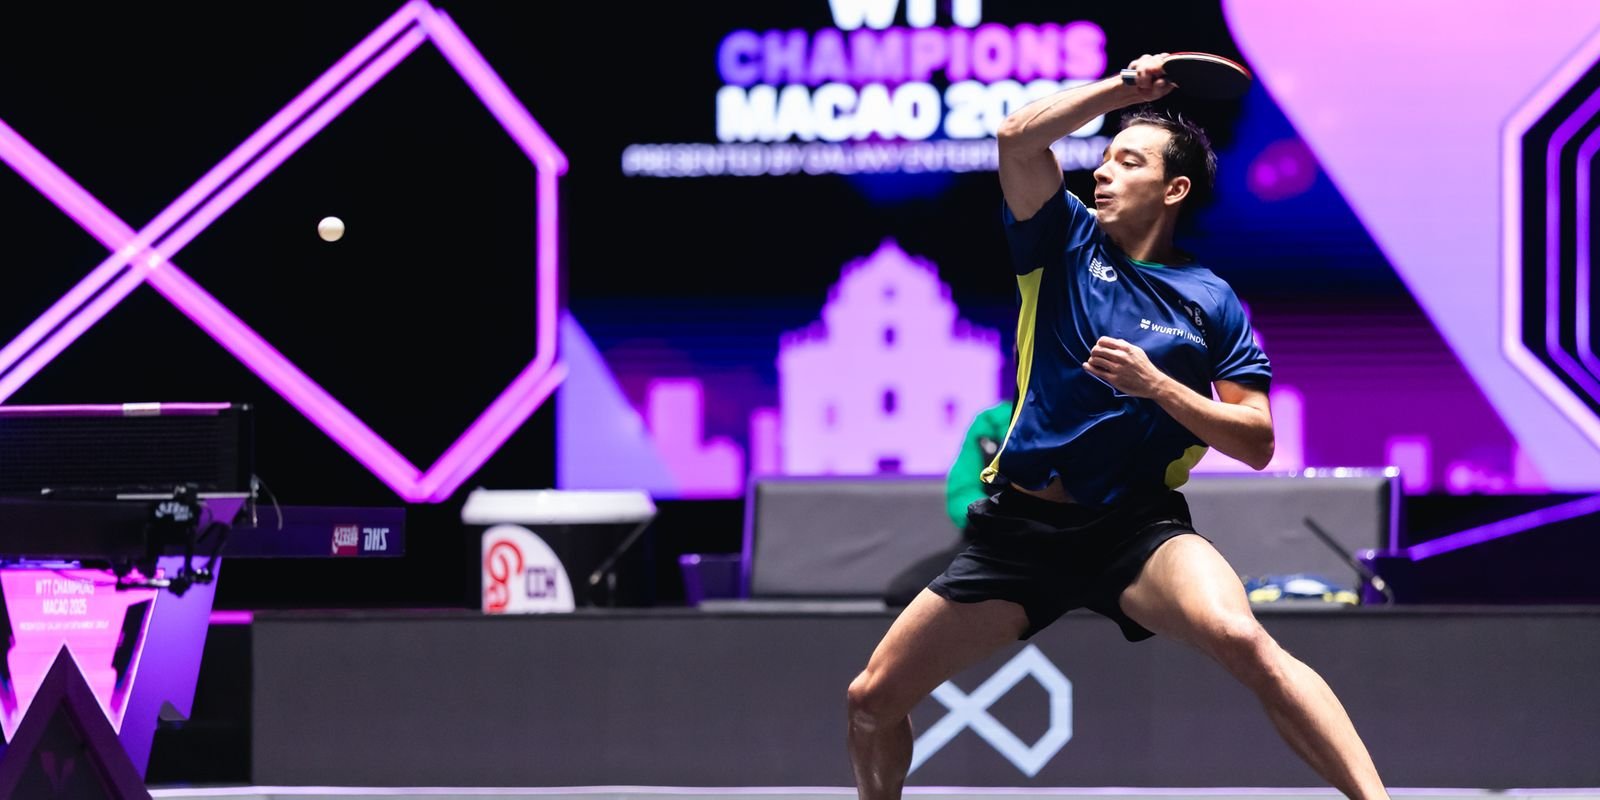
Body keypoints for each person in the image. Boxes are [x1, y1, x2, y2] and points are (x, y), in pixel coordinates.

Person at [846, 54, 1390, 798]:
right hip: (1022, 530)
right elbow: (1015, 138)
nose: (1102, 172)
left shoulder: (1211, 300)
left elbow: (1256, 441)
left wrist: (1158, 385)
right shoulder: (1060, 241)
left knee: (1242, 638)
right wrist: (1123, 90)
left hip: (1137, 530)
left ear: (1174, 188)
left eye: (1129, 161)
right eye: (1103, 158)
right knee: (871, 699)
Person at [881, 397, 1014, 607]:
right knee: (904, 591)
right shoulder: (989, 422)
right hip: (987, 541)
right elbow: (962, 492)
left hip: (1057, 543)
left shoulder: (1068, 422)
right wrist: (999, 517)